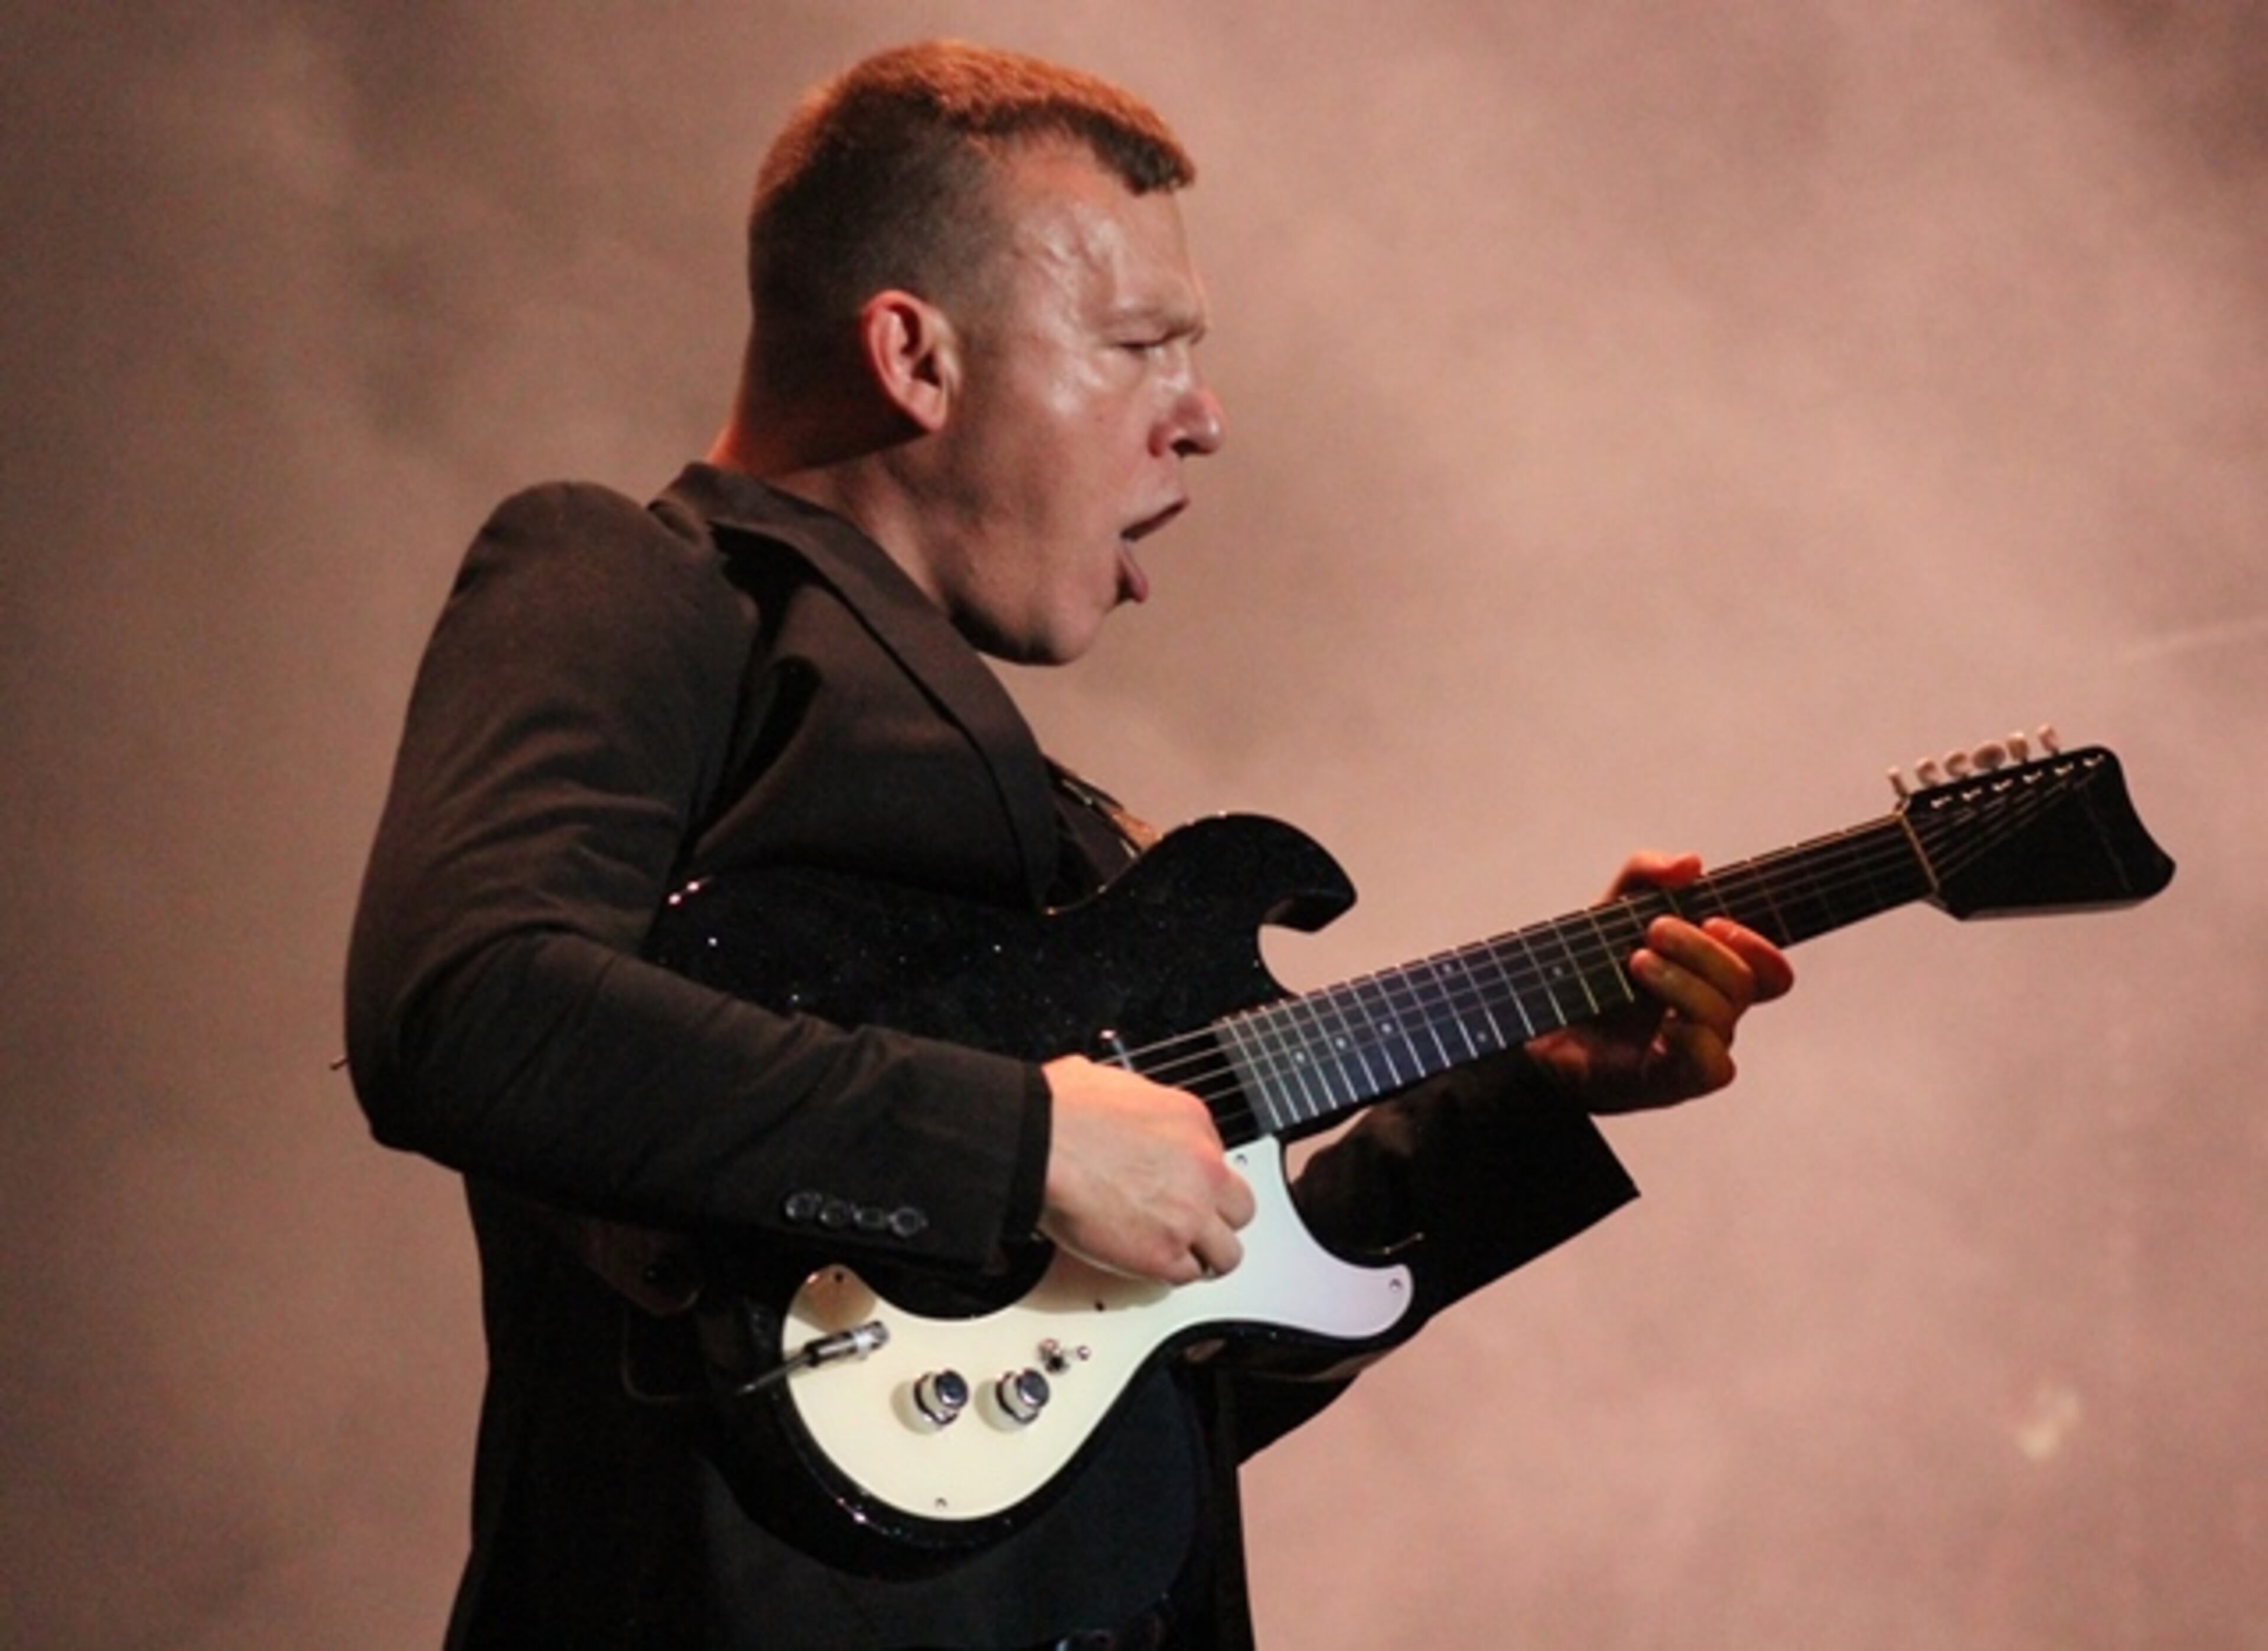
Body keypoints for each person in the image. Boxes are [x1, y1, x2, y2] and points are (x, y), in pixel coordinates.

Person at [346, 40, 1793, 1650]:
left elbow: (1092, 1406)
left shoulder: (1072, 836)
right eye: (1136, 343)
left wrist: (1521, 1099)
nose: (1206, 418)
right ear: (917, 355)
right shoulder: (637, 582)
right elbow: (462, 1006)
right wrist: (1021, 1144)